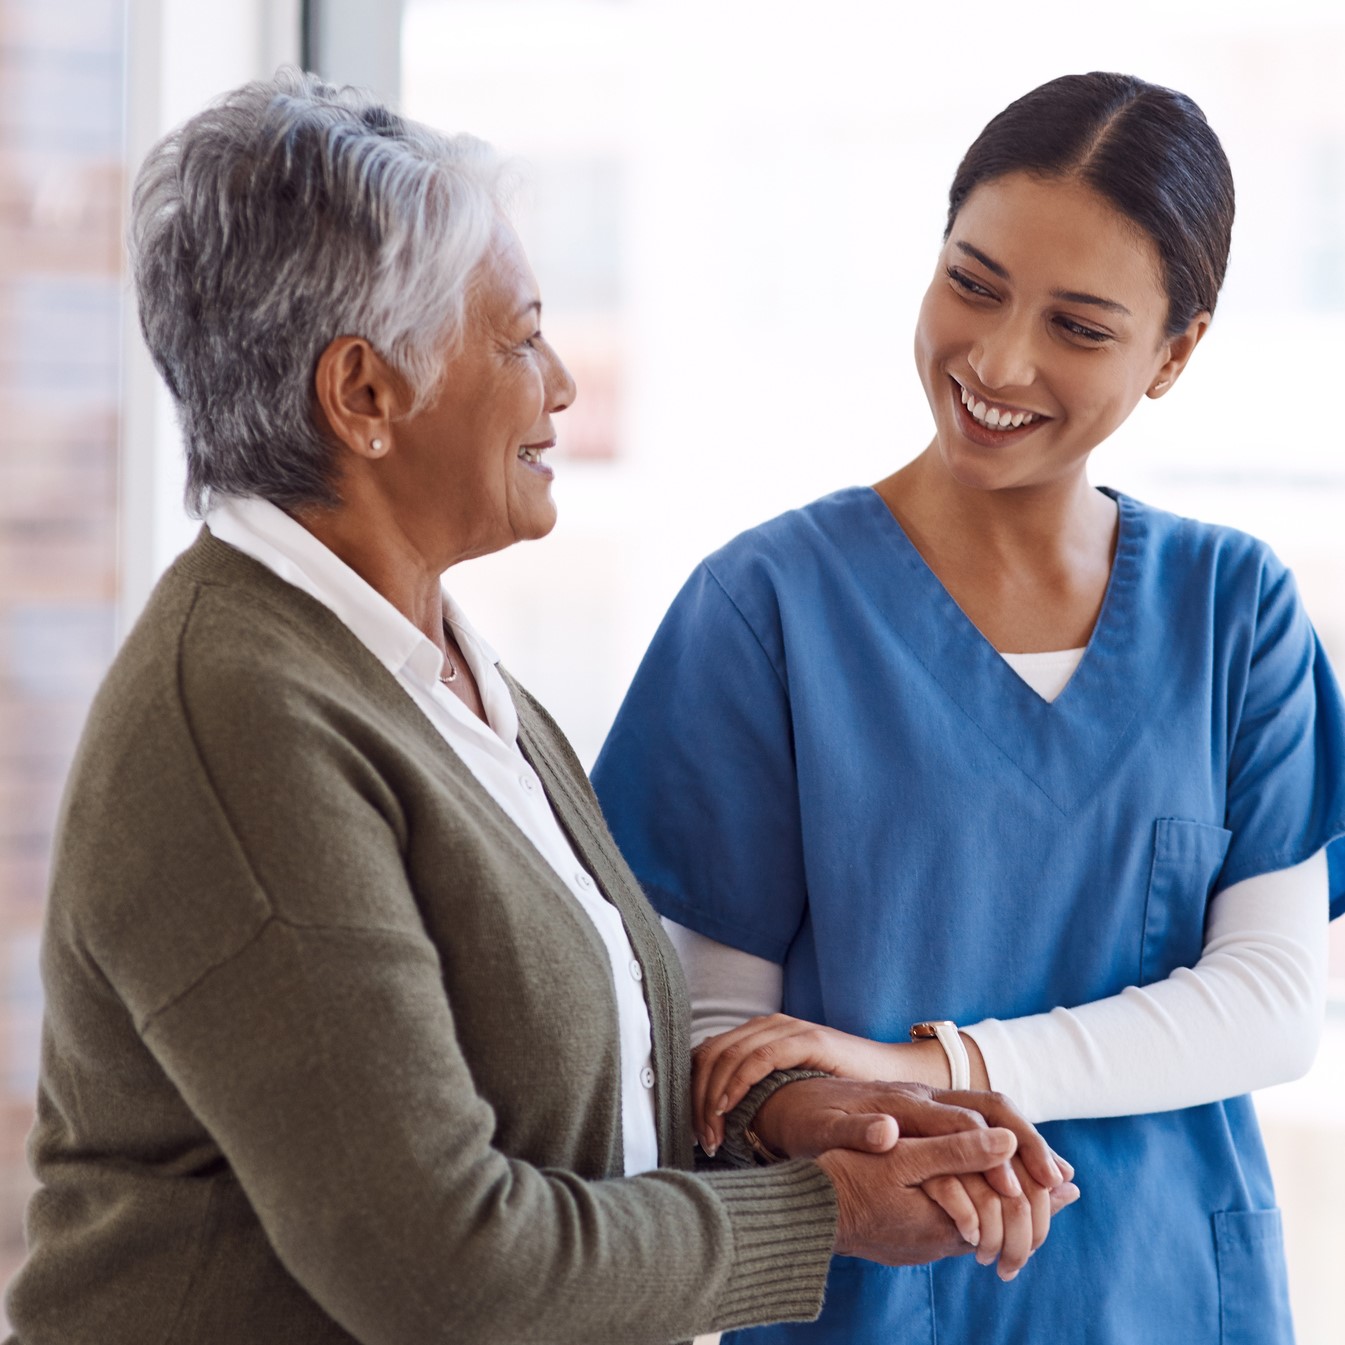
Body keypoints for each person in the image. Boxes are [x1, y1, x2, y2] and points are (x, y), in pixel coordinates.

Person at [3, 71, 1078, 1345]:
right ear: (363, 396)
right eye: (518, 339)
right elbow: (442, 1266)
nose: (561, 383)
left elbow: (517, 1074)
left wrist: (771, 1112)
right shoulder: (241, 715)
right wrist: (818, 1211)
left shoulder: (426, 664)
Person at [593, 71, 1345, 1345]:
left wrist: (938, 1063)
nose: (997, 361)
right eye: (973, 283)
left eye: (1080, 326)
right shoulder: (765, 608)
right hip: (873, 1299)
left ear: (1174, 353)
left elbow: (1271, 1002)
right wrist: (859, 1109)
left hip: (1171, 1300)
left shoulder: (1236, 613)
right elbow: (718, 1038)